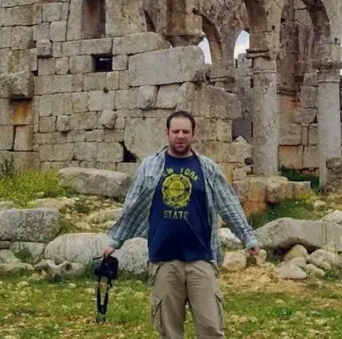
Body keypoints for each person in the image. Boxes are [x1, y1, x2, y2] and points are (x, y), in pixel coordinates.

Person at [103, 110, 260, 338]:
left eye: (185, 131)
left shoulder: (207, 167)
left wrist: (248, 237)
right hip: (164, 259)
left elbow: (228, 204)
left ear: (193, 135)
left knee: (211, 329)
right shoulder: (150, 166)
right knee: (170, 332)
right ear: (166, 133)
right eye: (175, 131)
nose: (180, 136)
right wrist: (115, 240)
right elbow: (132, 206)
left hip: (202, 258)